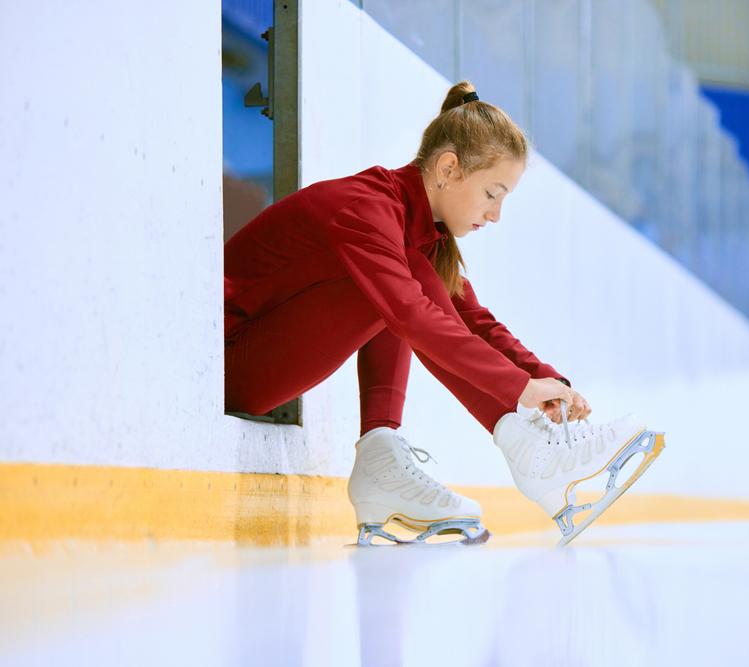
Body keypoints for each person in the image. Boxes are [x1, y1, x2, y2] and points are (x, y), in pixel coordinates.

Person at [224, 81, 663, 546]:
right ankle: (526, 449)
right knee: (401, 290)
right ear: (448, 168)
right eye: (493, 194)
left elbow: (476, 320)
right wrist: (517, 390)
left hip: (264, 358)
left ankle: (384, 456)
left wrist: (547, 381)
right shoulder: (365, 209)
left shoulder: (415, 233)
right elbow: (412, 316)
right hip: (231, 362)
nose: (496, 215)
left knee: (409, 275)